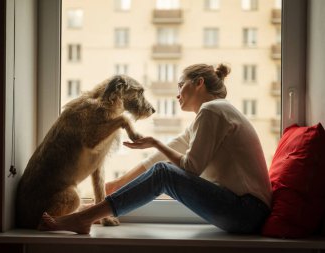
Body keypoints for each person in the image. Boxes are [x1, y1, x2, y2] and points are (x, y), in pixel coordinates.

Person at [39, 63, 272, 234]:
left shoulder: (212, 110)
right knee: (161, 169)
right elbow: (159, 157)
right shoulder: (213, 114)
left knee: (164, 173)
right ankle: (93, 213)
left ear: (199, 83)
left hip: (247, 212)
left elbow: (190, 168)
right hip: (245, 212)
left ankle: (85, 218)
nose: (177, 93)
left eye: (181, 85)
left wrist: (155, 142)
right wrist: (115, 186)